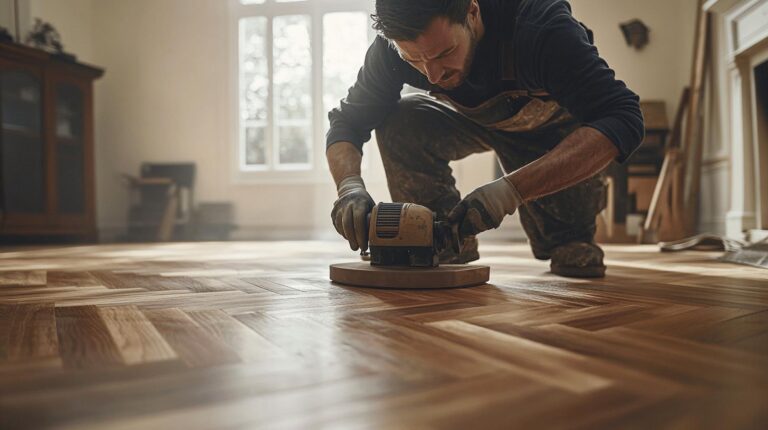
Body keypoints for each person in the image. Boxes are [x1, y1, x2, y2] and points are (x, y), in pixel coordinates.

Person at [326, 0, 644, 278]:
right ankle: (443, 240)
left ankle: (570, 237)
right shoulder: (391, 51)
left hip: (547, 129)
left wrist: (507, 193)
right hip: (472, 119)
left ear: (473, 11)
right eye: (414, 61)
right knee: (401, 120)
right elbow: (347, 124)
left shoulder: (541, 28)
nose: (432, 75)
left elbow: (622, 116)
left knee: (571, 251)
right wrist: (349, 188)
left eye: (445, 53)